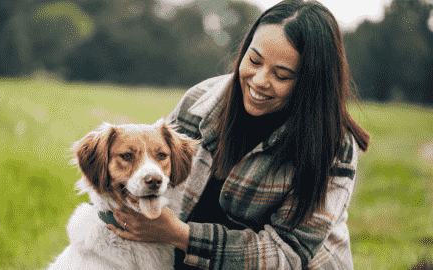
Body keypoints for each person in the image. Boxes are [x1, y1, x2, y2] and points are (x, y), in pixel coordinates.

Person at [108, 0, 370, 269]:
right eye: (254, 60)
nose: (258, 80)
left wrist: (180, 235)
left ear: (310, 82)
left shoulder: (333, 146)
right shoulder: (199, 103)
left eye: (281, 75)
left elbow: (286, 254)